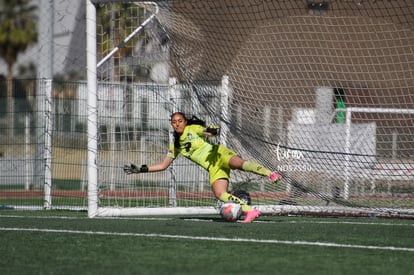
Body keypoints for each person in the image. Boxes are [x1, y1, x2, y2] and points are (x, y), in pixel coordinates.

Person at [123, 112, 282, 223]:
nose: (177, 123)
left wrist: (211, 132)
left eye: (180, 120)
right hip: (213, 168)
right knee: (220, 194)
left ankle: (271, 174)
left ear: (185, 122)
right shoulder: (176, 145)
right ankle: (250, 211)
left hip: (219, 154)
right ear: (172, 124)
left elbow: (206, 131)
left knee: (239, 164)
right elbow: (164, 165)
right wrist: (141, 169)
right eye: (174, 122)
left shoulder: (193, 129)